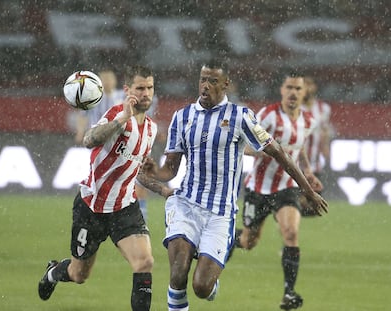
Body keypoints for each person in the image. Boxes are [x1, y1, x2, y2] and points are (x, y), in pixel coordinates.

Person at [140, 61, 328, 311]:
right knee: (178, 272)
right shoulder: (182, 117)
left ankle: (210, 281)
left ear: (226, 84)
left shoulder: (241, 117)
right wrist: (156, 172)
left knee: (201, 287)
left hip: (220, 213)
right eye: (202, 79)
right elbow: (170, 169)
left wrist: (307, 189)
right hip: (186, 204)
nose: (205, 86)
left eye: (213, 81)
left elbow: (279, 153)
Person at [38, 65, 166, 311]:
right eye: (140, 88)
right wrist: (121, 120)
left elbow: (134, 168)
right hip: (92, 207)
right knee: (79, 274)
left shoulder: (151, 129)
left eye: (150, 88)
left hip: (124, 208)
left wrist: (161, 188)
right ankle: (54, 272)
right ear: (128, 90)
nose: (146, 93)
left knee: (144, 262)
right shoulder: (116, 114)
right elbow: (89, 140)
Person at [233, 71, 326, 310]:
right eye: (289, 88)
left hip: (287, 187)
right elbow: (244, 142)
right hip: (258, 188)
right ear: (282, 90)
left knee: (291, 233)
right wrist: (263, 151)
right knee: (249, 241)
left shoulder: (308, 120)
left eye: (298, 88)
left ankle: (289, 293)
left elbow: (300, 146)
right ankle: (230, 238)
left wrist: (307, 170)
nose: (293, 93)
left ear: (305, 92)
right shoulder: (267, 116)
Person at [74, 68, 151, 220]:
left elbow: (139, 112)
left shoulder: (122, 97)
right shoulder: (95, 98)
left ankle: (140, 212)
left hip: (125, 143)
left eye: (110, 79)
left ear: (115, 81)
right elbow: (83, 115)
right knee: (102, 176)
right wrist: (80, 131)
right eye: (105, 79)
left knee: (137, 177)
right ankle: (99, 209)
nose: (108, 82)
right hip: (102, 143)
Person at [300, 76, 333, 216]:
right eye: (303, 85)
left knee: (312, 209)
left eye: (309, 84)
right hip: (295, 160)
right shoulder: (292, 108)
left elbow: (324, 130)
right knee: (296, 202)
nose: (306, 88)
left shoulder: (323, 109)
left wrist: (325, 147)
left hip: (314, 161)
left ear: (314, 87)